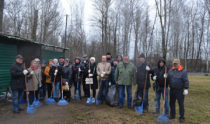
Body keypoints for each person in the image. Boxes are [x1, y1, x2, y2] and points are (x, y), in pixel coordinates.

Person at [167, 59, 189, 123]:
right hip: (172, 90)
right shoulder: (170, 70)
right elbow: (168, 79)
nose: (175, 65)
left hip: (180, 90)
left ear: (179, 64)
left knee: (181, 104)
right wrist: (165, 77)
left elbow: (186, 80)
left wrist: (186, 88)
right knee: (171, 103)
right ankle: (172, 115)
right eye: (174, 63)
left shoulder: (183, 71)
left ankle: (182, 117)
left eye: (176, 63)